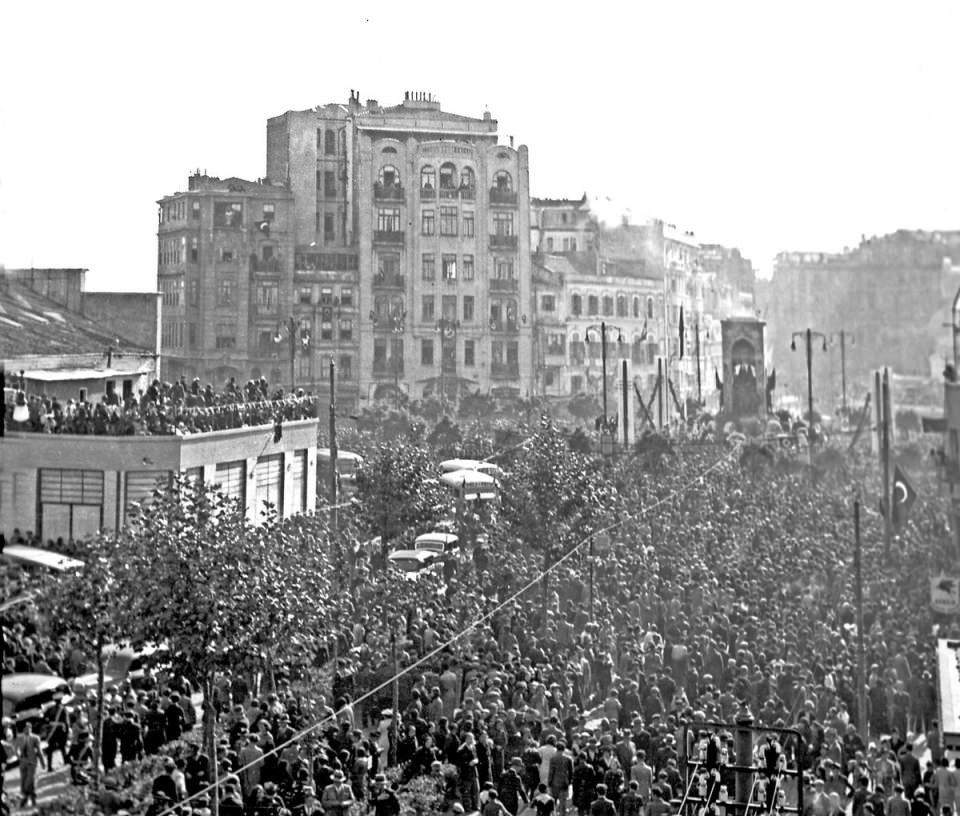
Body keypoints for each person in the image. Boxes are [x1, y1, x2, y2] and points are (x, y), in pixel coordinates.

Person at [18, 721, 46, 808]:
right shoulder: (20, 738)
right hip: (23, 763)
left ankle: (25, 799)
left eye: (29, 728)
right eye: (26, 728)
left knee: (29, 781)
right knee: (24, 782)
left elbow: (39, 751)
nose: (28, 730)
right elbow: (17, 750)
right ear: (23, 730)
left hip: (32, 762)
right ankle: (28, 800)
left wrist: (42, 762)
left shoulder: (35, 738)